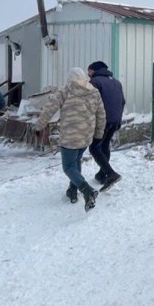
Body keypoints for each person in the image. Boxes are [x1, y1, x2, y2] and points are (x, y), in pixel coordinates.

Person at [36, 67, 106, 211]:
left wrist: (39, 126)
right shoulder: (94, 92)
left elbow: (49, 109)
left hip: (70, 136)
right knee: (76, 162)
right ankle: (72, 191)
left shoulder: (65, 90)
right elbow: (101, 115)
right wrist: (98, 134)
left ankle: (87, 190)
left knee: (68, 167)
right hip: (86, 136)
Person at [86, 61, 126, 190]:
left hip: (102, 121)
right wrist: (117, 117)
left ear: (93, 70)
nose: (88, 75)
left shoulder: (95, 83)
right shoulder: (116, 82)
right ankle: (102, 174)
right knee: (104, 145)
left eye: (89, 72)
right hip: (115, 120)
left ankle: (110, 173)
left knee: (94, 147)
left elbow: (90, 103)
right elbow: (123, 101)